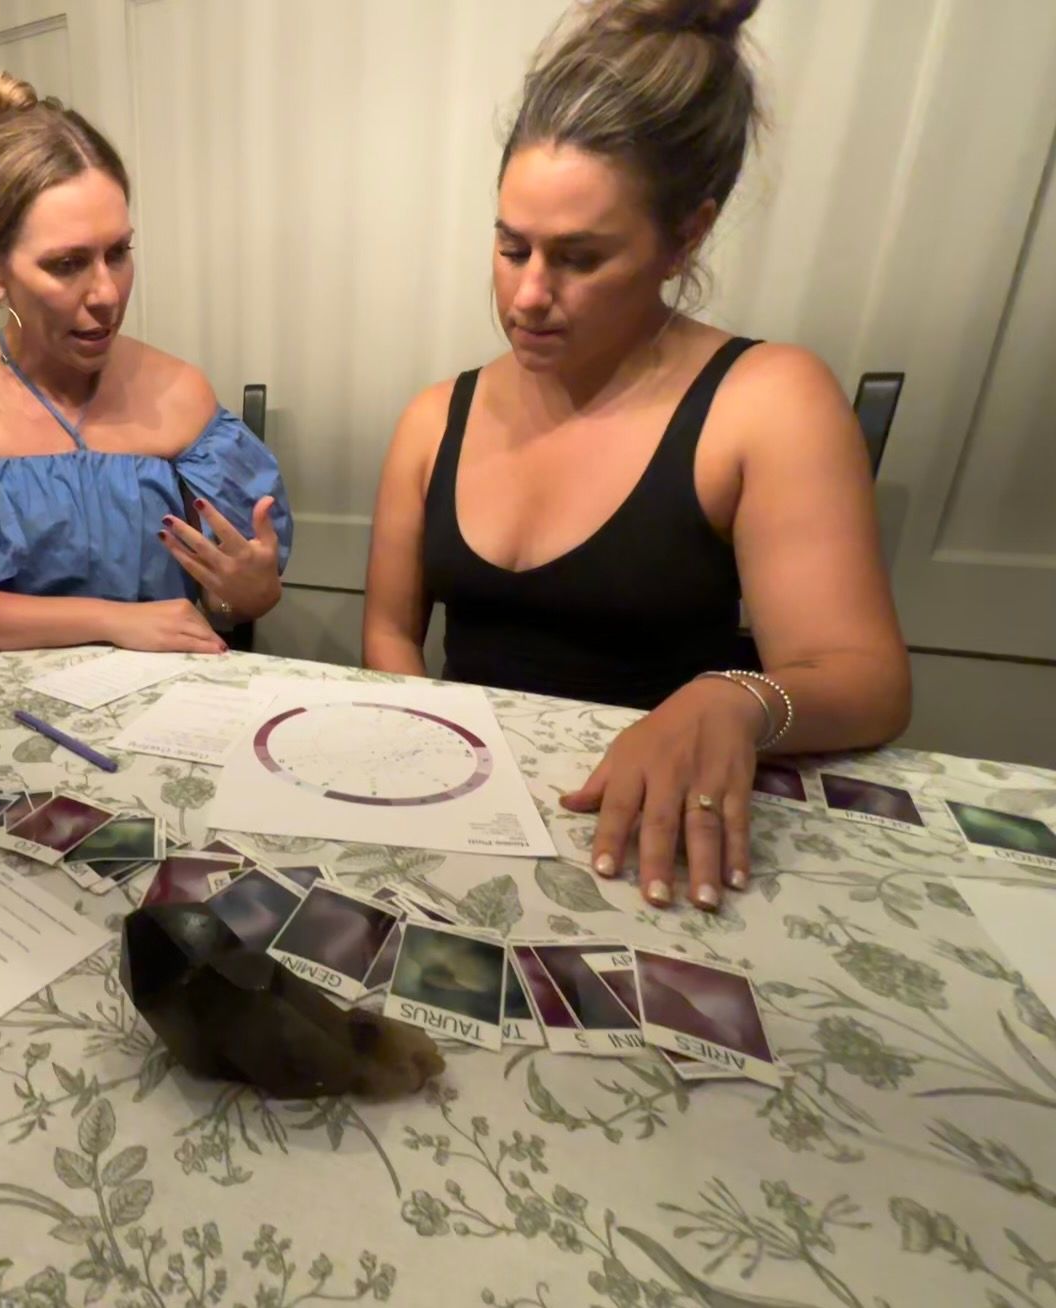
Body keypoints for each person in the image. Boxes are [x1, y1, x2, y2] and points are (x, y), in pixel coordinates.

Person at [362, 0, 911, 912]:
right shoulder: (434, 417)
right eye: (510, 247)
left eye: (580, 258)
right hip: (466, 822)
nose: (529, 294)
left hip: (651, 840)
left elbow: (867, 682)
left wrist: (735, 698)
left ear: (685, 236)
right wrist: (434, 750)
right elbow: (389, 633)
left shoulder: (766, 400)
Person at [0, 71, 292, 655]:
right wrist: (109, 620)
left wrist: (246, 593)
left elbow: (230, 608)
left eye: (118, 253)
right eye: (67, 263)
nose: (106, 293)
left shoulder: (182, 397)